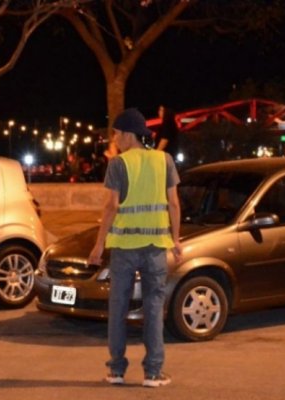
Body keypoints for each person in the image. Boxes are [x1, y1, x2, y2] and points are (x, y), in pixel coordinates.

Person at [88, 107, 182, 388]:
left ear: (129, 134)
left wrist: (98, 244)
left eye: (116, 133)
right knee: (154, 307)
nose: (114, 138)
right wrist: (176, 240)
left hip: (124, 249)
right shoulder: (164, 161)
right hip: (155, 248)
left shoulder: (118, 164)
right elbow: (174, 204)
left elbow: (111, 206)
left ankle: (116, 370)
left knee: (118, 307)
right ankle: (153, 373)